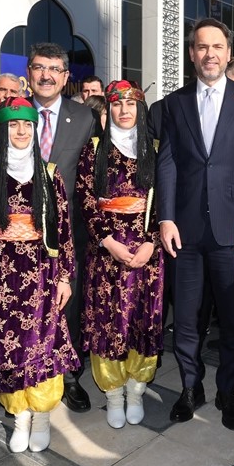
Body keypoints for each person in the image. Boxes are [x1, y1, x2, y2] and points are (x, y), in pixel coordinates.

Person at [157, 18, 234, 431]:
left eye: (217, 46)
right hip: (183, 231)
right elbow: (168, 163)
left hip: (231, 230)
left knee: (232, 319)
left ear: (227, 51)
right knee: (186, 320)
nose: (209, 54)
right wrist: (165, 217)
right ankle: (191, 387)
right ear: (192, 54)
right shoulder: (174, 102)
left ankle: (226, 392)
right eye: (202, 47)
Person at [0, 98, 79, 451]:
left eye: (27, 125)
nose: (21, 131)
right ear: (1, 132)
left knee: (45, 343)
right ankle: (20, 416)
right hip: (1, 275)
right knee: (9, 346)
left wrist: (65, 276)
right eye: (13, 125)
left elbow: (64, 230)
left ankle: (42, 416)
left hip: (43, 273)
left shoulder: (50, 175)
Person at [76, 82, 162, 429]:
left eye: (131, 104)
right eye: (116, 104)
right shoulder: (93, 149)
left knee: (144, 321)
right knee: (107, 322)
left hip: (146, 254)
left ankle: (137, 390)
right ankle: (113, 394)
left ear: (140, 109)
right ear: (106, 110)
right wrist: (107, 241)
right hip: (106, 254)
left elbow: (166, 200)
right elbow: (85, 198)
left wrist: (152, 242)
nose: (124, 111)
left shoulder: (154, 149)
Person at [26, 43, 98, 413]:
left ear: (66, 77)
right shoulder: (11, 113)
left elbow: (91, 177)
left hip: (71, 232)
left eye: (55, 69)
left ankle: (71, 376)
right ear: (29, 73)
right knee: (26, 304)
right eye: (39, 67)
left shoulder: (84, 117)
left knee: (68, 302)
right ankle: (32, 372)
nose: (46, 75)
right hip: (21, 232)